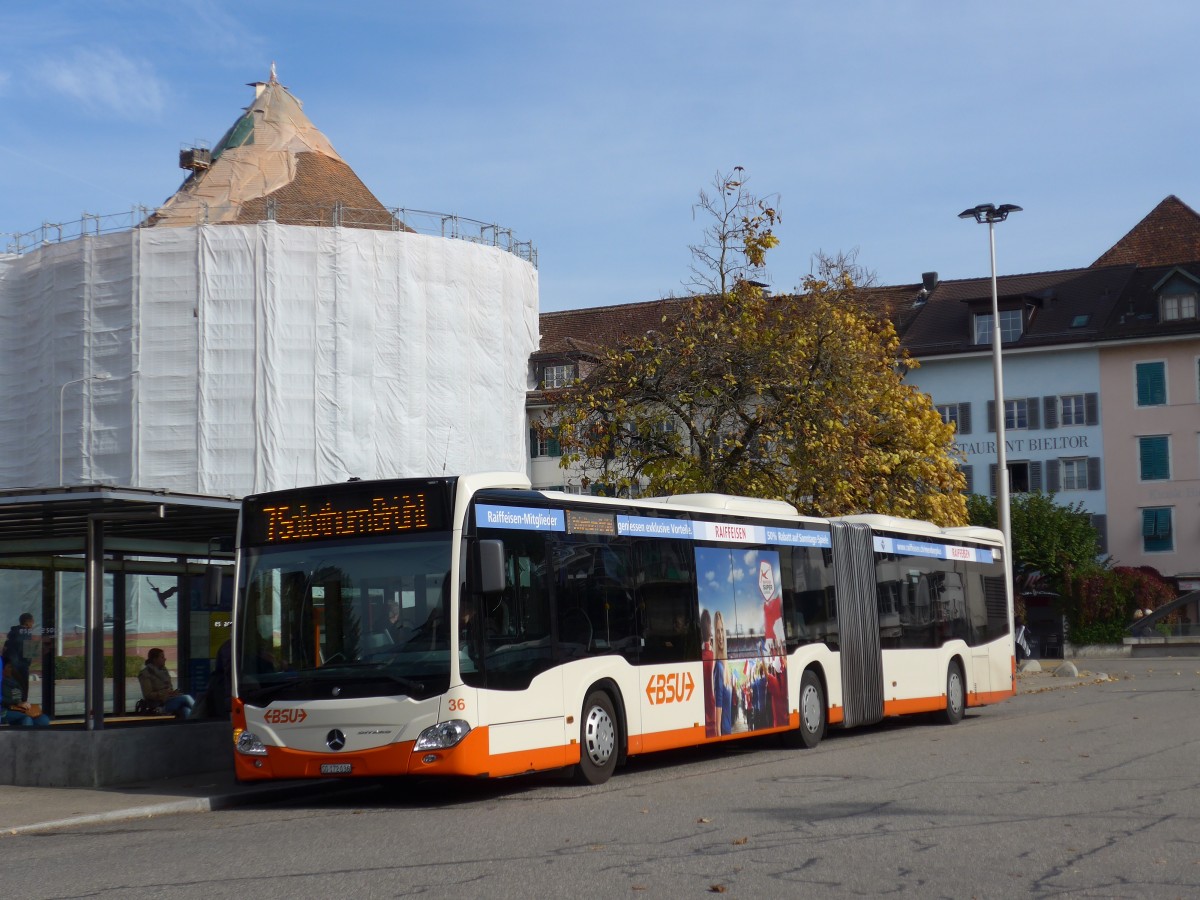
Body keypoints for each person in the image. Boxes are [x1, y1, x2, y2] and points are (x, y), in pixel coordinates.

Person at [138, 648, 196, 719]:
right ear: (154, 659)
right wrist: (165, 693)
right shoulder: (145, 673)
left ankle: (195, 726)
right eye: (162, 657)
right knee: (186, 698)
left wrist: (173, 693)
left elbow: (169, 688)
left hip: (169, 700)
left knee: (185, 709)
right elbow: (148, 694)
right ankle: (202, 715)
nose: (165, 659)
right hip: (158, 704)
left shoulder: (164, 671)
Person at [3, 611, 40, 703]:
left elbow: (5, 649)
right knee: (22, 689)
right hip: (21, 667)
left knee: (11, 688)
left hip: (10, 666)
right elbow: (30, 654)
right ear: (27, 622)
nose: (33, 624)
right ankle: (22, 705)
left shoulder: (12, 633)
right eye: (32, 622)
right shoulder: (26, 634)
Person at [2, 659, 50, 727]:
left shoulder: (15, 681)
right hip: (5, 711)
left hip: (18, 709)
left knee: (43, 719)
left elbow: (21, 697)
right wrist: (17, 703)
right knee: (26, 719)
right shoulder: (2, 682)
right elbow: (3, 699)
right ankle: (26, 737)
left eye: (13, 667)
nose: (12, 669)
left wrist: (25, 704)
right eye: (9, 667)